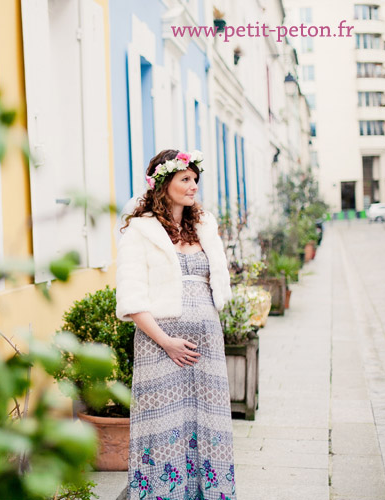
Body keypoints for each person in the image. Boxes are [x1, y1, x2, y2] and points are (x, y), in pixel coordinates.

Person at [116, 149, 236, 500]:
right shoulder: (139, 232)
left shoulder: (204, 226)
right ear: (164, 183)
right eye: (185, 179)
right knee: (163, 426)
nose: (193, 186)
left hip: (206, 348)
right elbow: (132, 298)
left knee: (208, 423)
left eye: (195, 179)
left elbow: (218, 281)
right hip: (160, 347)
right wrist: (167, 341)